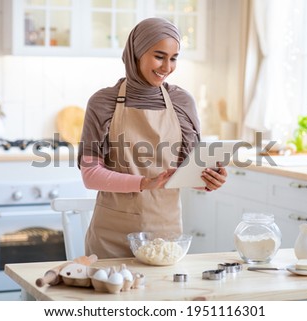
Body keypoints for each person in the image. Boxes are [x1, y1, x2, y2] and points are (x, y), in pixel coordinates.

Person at [78, 17, 227, 259]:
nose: (167, 67)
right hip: (110, 237)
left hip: (164, 235)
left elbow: (186, 171)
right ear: (136, 53)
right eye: (159, 56)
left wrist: (208, 180)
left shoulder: (182, 102)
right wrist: (143, 183)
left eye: (174, 58)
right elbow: (90, 175)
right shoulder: (102, 102)